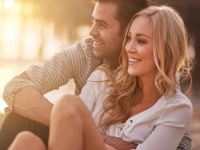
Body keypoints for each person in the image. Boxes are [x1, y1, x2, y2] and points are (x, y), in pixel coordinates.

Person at [0, 0, 191, 149]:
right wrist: (75, 125)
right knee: (24, 136)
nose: (92, 32)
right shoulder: (98, 73)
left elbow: (180, 141)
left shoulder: (173, 103)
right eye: (130, 39)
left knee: (68, 104)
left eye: (102, 24)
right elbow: (15, 87)